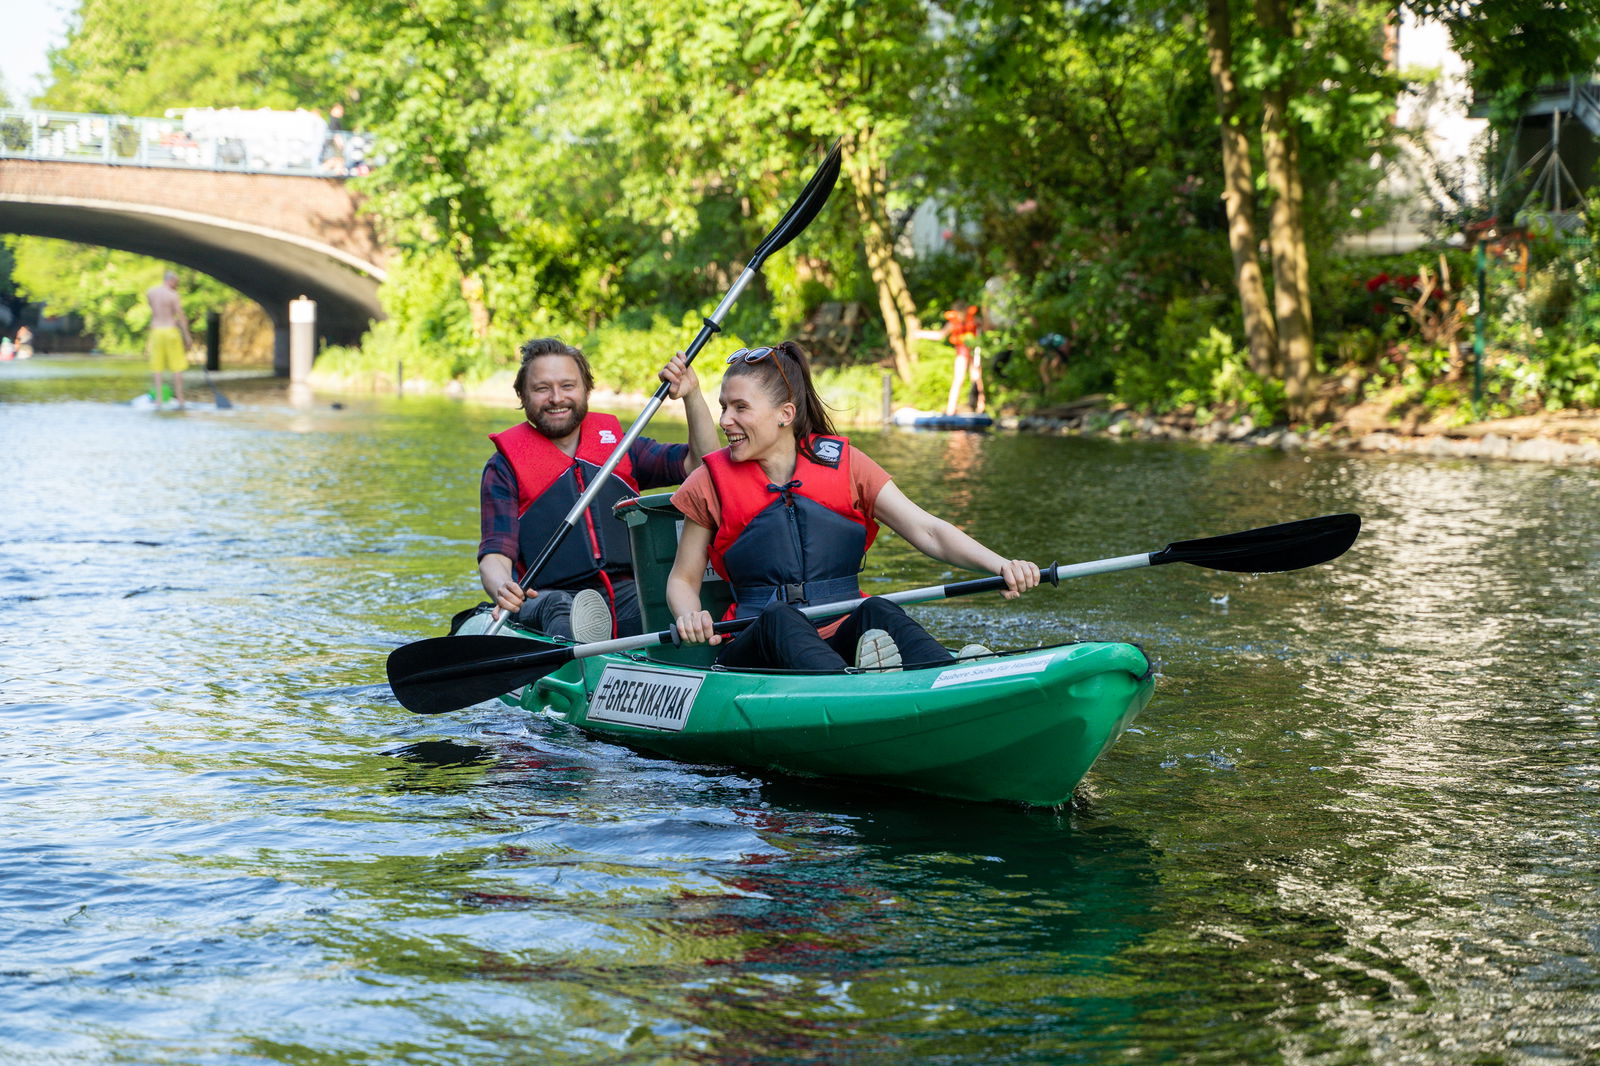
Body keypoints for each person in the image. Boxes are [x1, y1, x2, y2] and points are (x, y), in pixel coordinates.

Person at [666, 340, 1039, 672]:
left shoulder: (847, 465)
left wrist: (1000, 564)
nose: (726, 420)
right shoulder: (709, 481)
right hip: (756, 643)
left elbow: (928, 530)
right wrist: (690, 616)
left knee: (876, 609)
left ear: (785, 414)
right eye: (724, 407)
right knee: (779, 617)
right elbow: (683, 579)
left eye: (740, 407)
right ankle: (856, 686)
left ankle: (951, 673)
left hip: (840, 629)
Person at [477, 336, 718, 642]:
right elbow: (494, 555)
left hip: (625, 593)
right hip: (547, 597)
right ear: (522, 395)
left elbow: (701, 465)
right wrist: (502, 587)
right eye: (541, 388)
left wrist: (692, 395)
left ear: (586, 390)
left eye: (567, 386)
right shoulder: (504, 467)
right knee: (561, 607)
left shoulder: (621, 447)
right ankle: (579, 666)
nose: (556, 398)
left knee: (653, 598)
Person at [146, 271, 193, 409]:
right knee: (177, 367)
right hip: (171, 331)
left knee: (157, 367)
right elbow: (180, 316)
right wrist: (187, 336)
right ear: (171, 281)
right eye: (176, 283)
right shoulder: (173, 295)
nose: (176, 286)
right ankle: (180, 399)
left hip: (156, 331)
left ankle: (159, 400)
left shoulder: (151, 292)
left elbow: (154, 310)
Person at [942, 303, 986, 417]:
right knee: (958, 379)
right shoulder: (953, 323)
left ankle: (981, 407)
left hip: (974, 351)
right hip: (962, 352)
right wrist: (919, 333)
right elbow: (940, 334)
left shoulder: (975, 320)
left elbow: (985, 326)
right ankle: (950, 409)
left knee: (977, 378)